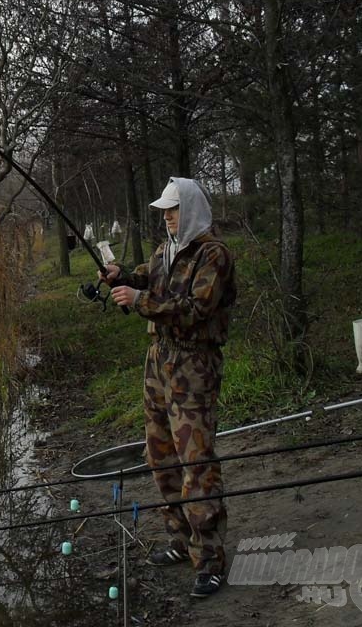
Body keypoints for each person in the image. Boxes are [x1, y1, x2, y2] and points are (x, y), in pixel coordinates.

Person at [99, 177, 236, 598]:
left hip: (193, 366)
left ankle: (209, 559)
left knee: (197, 462)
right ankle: (180, 539)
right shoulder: (166, 249)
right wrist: (121, 276)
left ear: (191, 208)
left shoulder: (214, 254)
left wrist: (139, 302)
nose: (168, 218)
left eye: (174, 211)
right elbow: (148, 278)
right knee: (160, 455)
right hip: (158, 363)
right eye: (164, 212)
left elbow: (195, 308)